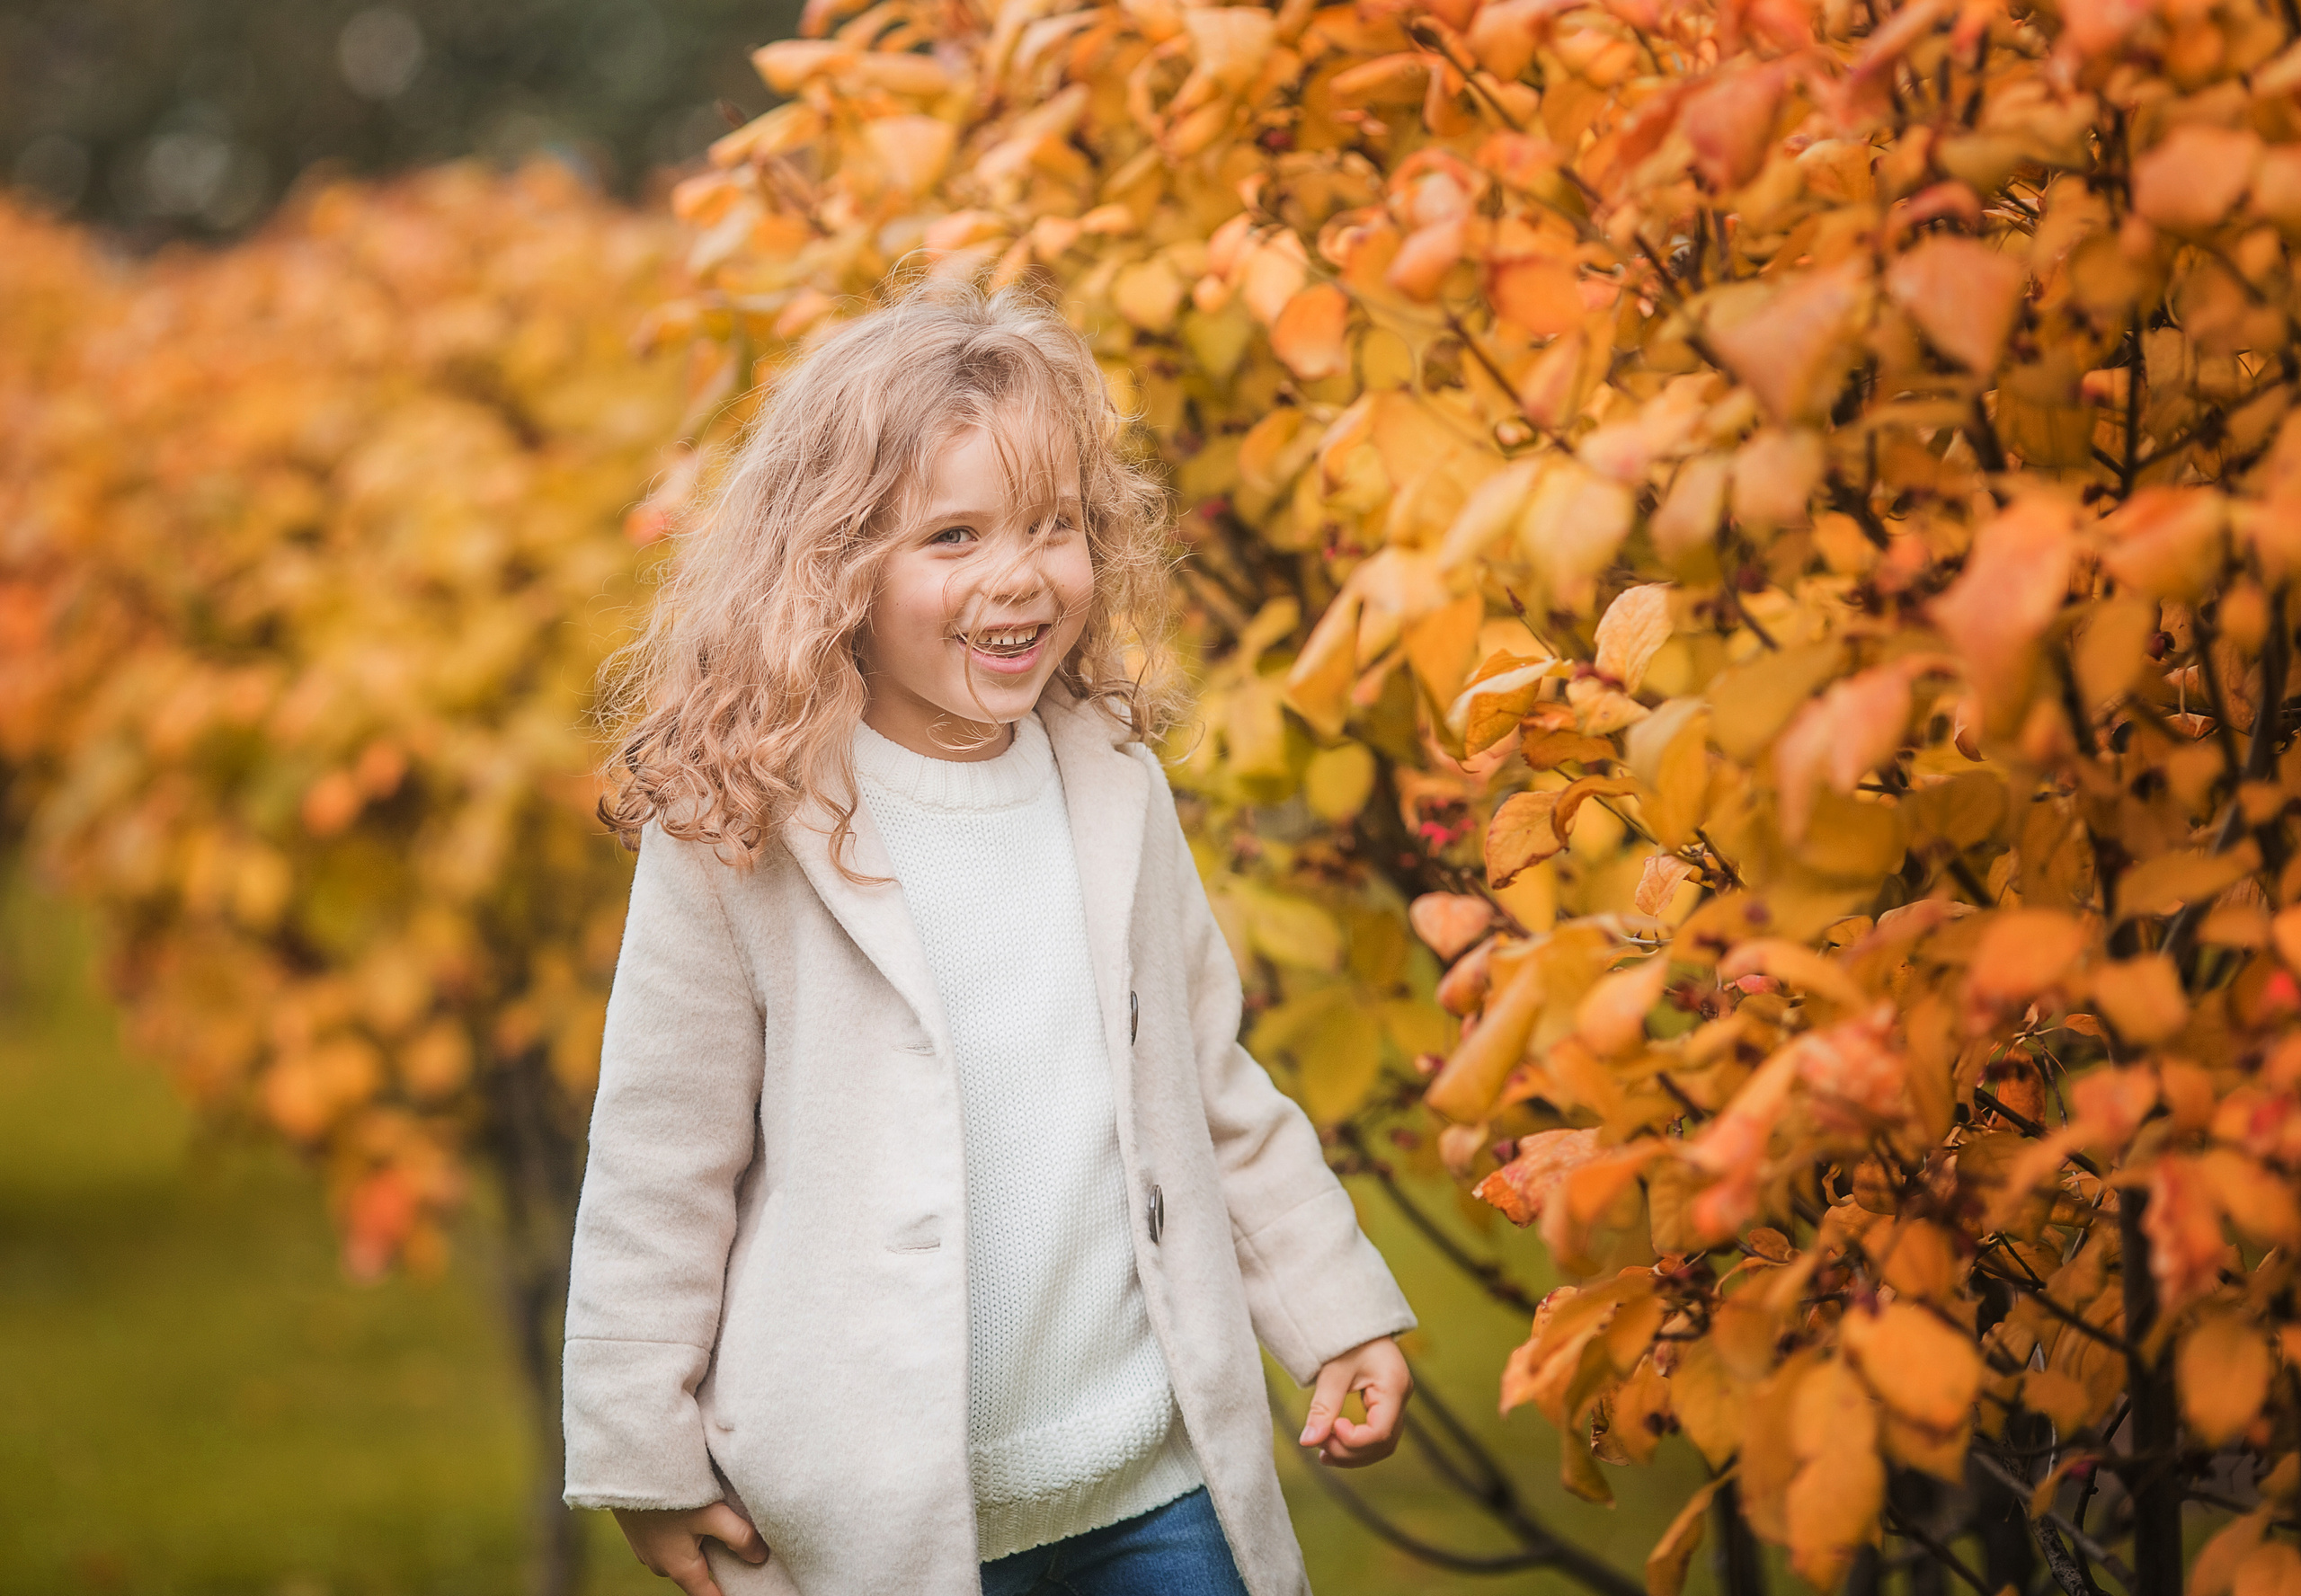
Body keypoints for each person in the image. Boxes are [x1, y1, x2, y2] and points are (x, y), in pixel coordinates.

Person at [564, 282, 1417, 1596]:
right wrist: (643, 1456)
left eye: (1055, 525)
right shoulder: (742, 826)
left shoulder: (1112, 787)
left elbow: (1209, 1087)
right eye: (951, 536)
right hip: (879, 1525)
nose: (1018, 577)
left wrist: (1336, 1311)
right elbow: (657, 1164)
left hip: (1152, 1488)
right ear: (834, 565)